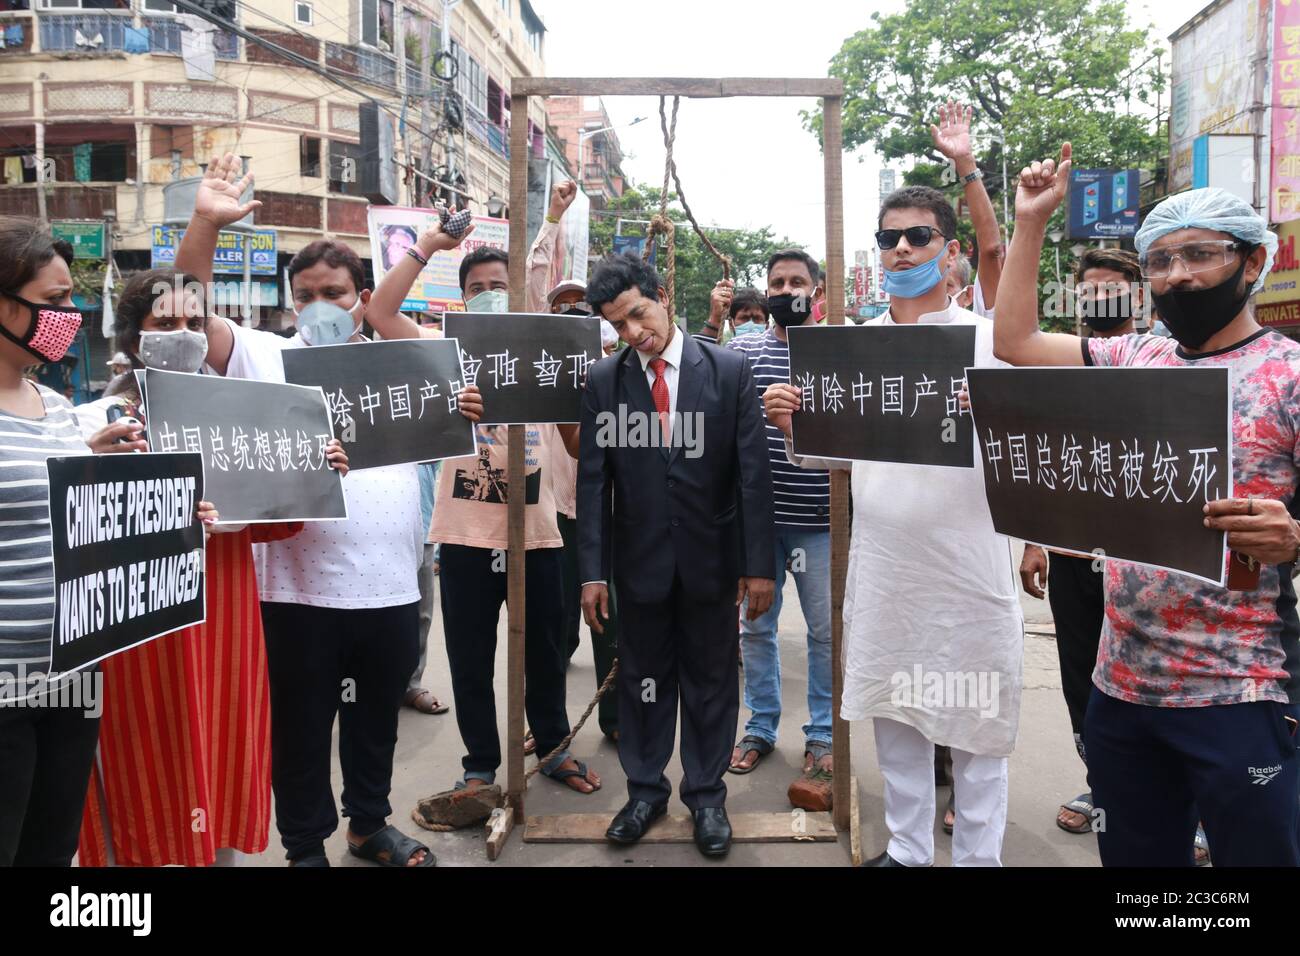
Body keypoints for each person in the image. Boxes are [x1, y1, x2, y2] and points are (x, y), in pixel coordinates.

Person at [994, 145, 1300, 867]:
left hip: (1243, 691)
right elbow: (1013, 342)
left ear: (1253, 263)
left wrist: (1296, 537)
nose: (1180, 276)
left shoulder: (1288, 376)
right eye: (1160, 261)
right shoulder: (1136, 360)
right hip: (1122, 687)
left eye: (1200, 255)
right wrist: (1031, 222)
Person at [175, 153, 481, 868]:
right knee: (302, 730)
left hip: (392, 586)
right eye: (306, 293)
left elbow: (472, 405)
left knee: (375, 723)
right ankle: (305, 844)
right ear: (291, 303)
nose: (320, 305)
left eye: (334, 292)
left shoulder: (408, 365)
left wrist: (467, 406)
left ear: (360, 296)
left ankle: (368, 824)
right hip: (294, 593)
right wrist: (205, 222)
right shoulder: (264, 356)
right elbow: (185, 322)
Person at [765, 185, 1025, 867]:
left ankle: (977, 858)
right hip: (888, 566)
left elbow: (1033, 447)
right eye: (890, 239)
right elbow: (837, 458)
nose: (902, 249)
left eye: (918, 237)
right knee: (895, 712)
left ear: (951, 253)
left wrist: (1000, 413)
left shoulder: (994, 342)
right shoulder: (855, 350)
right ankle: (907, 851)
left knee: (975, 724)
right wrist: (794, 423)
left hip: (968, 565)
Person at [70, 267, 349, 866]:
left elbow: (278, 521)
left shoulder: (244, 415)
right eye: (164, 322)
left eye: (195, 322)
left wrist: (313, 467)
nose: (184, 334)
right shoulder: (99, 423)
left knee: (220, 744)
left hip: (223, 613)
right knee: (143, 753)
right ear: (132, 335)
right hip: (138, 629)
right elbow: (78, 537)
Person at [0, 218, 216, 866]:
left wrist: (172, 519)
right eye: (55, 298)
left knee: (51, 847)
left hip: (72, 679)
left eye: (74, 298)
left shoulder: (58, 408)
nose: (70, 314)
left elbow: (82, 527)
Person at [365, 207, 599, 794]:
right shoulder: (441, 350)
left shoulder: (547, 357)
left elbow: (576, 443)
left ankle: (552, 746)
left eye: (500, 287)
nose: (490, 295)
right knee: (470, 661)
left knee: (546, 656)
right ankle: (479, 767)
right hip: (466, 536)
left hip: (540, 534)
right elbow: (381, 313)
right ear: (463, 301)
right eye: (478, 289)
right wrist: (427, 246)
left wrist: (574, 406)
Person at [580, 253, 776, 857]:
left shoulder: (728, 370)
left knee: (712, 679)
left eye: (638, 314)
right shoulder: (604, 382)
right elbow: (594, 483)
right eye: (619, 326)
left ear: (662, 294)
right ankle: (644, 790)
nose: (634, 334)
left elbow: (752, 476)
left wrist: (760, 564)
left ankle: (707, 796)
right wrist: (592, 572)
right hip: (638, 565)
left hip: (712, 562)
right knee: (642, 679)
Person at [1017, 249, 1155, 838]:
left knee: (1152, 681)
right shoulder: (1059, 364)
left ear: (1138, 297)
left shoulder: (1162, 361)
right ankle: (1104, 786)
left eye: (1112, 291)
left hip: (1146, 563)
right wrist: (1034, 542)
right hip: (1073, 556)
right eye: (1089, 293)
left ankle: (1187, 805)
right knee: (1083, 678)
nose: (1100, 302)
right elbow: (1039, 459)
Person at [695, 249, 836, 810]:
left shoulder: (840, 350)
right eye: (776, 281)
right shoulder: (746, 349)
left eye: (797, 281)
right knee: (755, 630)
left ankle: (822, 735)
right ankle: (760, 725)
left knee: (826, 635)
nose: (785, 289)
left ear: (818, 290)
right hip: (758, 526)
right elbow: (710, 404)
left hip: (823, 522)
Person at [530, 181, 623, 742]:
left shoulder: (611, 366)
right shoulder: (537, 366)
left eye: (578, 307)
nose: (568, 313)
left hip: (603, 509)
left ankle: (615, 721)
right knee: (553, 624)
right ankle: (551, 731)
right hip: (550, 510)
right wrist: (551, 220)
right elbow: (532, 285)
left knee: (608, 621)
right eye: (559, 306)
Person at [932, 100, 1004, 319]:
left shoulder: (984, 328)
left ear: (968, 295)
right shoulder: (885, 332)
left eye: (948, 287)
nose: (938, 297)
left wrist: (964, 162)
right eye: (930, 288)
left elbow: (991, 250)